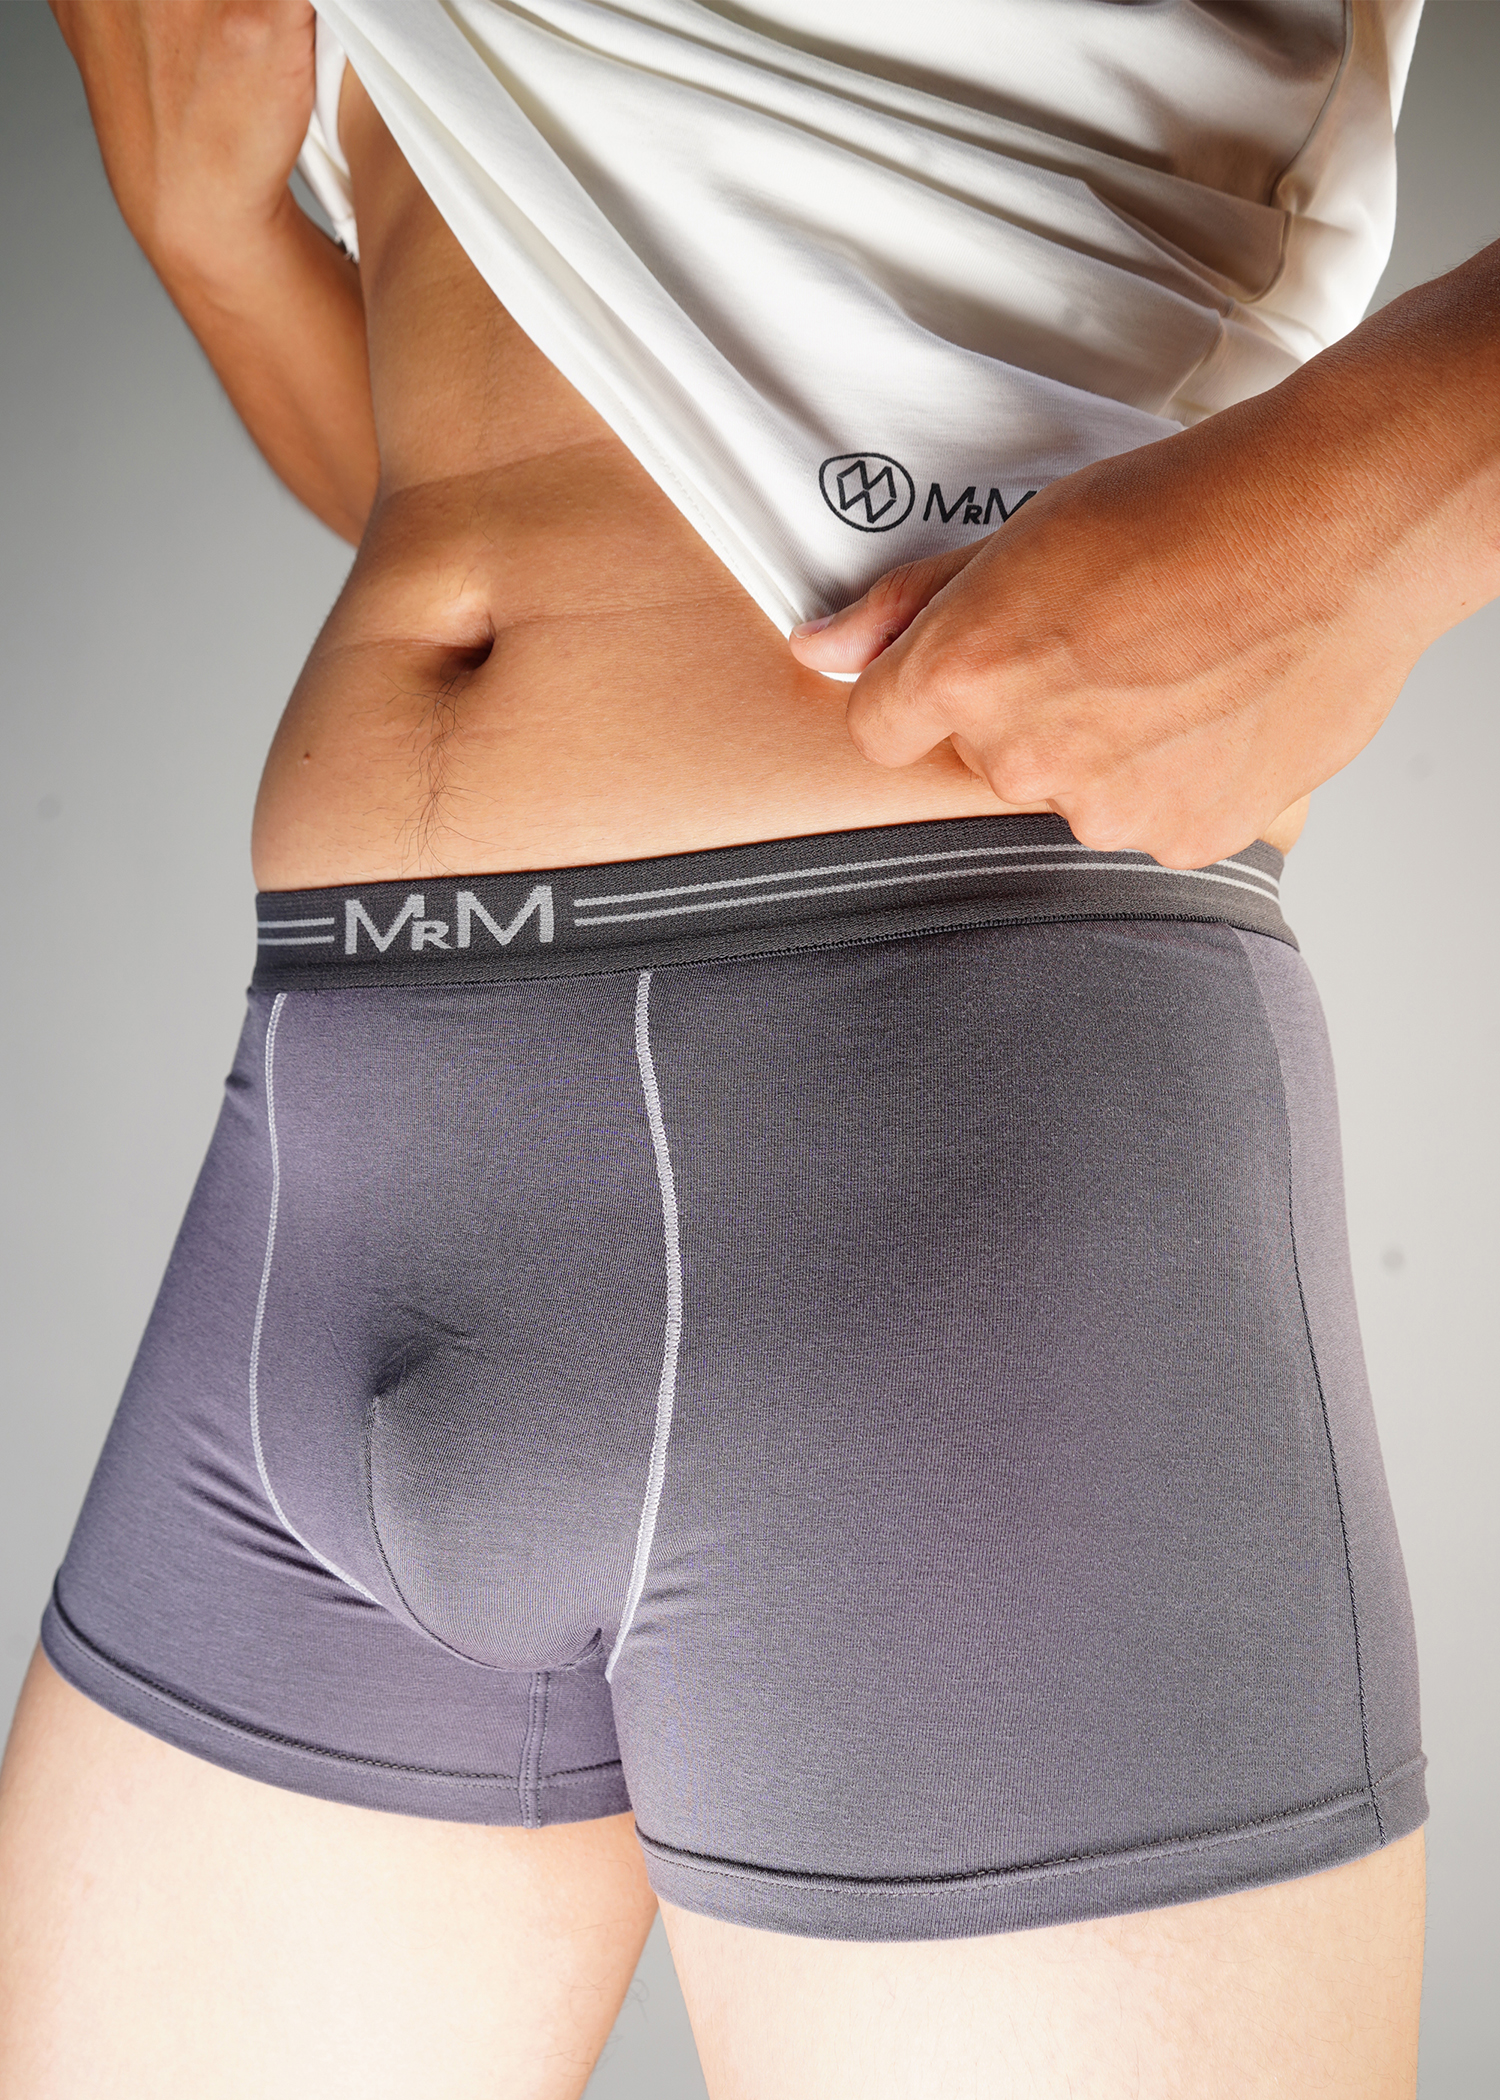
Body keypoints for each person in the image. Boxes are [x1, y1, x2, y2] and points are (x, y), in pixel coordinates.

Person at [3, 1, 1490, 2092]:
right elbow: (541, 497)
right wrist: (218, 240)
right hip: (331, 1169)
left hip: (946, 1124)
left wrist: (1401, 494)